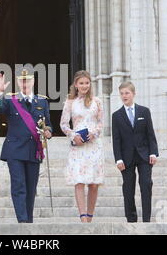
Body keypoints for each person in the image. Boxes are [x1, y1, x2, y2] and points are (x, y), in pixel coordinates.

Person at [0, 68, 52, 223]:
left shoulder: (42, 101)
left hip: (34, 150)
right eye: (22, 81)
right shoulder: (11, 100)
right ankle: (22, 222)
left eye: (28, 80)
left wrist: (48, 132)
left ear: (33, 81)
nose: (25, 83)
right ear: (18, 82)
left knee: (31, 188)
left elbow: (48, 125)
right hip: (15, 150)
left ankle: (28, 222)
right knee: (19, 186)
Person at [60, 71, 104, 222]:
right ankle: (83, 217)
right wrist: (73, 136)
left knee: (93, 183)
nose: (84, 86)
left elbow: (100, 122)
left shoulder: (97, 101)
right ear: (76, 85)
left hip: (94, 146)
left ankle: (90, 216)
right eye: (81, 83)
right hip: (77, 146)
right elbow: (64, 124)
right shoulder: (70, 102)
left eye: (87, 83)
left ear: (90, 84)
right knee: (79, 181)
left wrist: (94, 134)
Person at [112, 81, 159, 223]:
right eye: (122, 93)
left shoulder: (144, 111)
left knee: (146, 185)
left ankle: (146, 220)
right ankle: (131, 219)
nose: (124, 96)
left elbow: (150, 134)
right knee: (128, 188)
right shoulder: (117, 115)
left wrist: (153, 153)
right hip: (126, 158)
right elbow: (116, 140)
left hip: (144, 156)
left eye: (127, 93)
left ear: (133, 94)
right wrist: (118, 159)